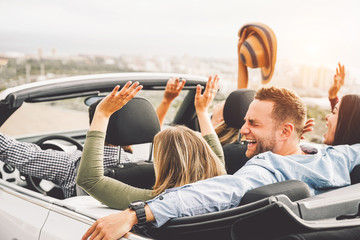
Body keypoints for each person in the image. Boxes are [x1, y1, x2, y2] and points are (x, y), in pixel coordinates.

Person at [82, 86, 360, 240]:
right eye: (244, 121)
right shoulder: (336, 157)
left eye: (253, 123)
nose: (242, 130)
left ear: (286, 131)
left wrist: (135, 215)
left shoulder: (268, 169)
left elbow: (222, 190)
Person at [0, 78, 186, 198]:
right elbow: (151, 132)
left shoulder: (70, 165)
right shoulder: (150, 164)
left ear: (95, 124)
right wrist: (167, 101)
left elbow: (10, 149)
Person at [76, 76, 226, 210]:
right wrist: (202, 111)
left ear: (163, 165)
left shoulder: (156, 202)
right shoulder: (220, 187)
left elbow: (90, 179)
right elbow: (217, 157)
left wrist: (102, 114)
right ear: (206, 155)